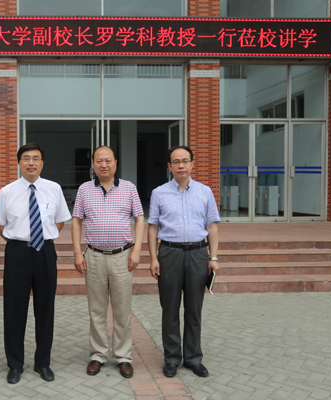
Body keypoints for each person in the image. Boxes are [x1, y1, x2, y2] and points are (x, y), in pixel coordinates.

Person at [0, 143, 71, 384]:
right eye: (26, 158)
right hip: (17, 253)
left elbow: (60, 222)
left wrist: (42, 238)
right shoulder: (6, 192)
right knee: (14, 309)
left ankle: (42, 362)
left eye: (36, 158)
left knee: (45, 309)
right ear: (19, 163)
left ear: (42, 163)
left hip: (45, 251)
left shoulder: (54, 189)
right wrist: (19, 240)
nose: (31, 163)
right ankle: (15, 364)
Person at [71, 146, 145, 379]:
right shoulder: (84, 189)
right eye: (99, 161)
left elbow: (139, 218)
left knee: (122, 310)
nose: (104, 165)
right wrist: (77, 253)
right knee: (97, 310)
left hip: (123, 257)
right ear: (93, 164)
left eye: (108, 160)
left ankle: (123, 357)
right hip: (94, 256)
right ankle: (98, 355)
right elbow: (76, 221)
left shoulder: (129, 188)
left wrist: (136, 250)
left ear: (115, 163)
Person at [147, 145, 220, 379]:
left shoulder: (205, 192)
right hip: (169, 254)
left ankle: (193, 358)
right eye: (176, 162)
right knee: (169, 309)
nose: (181, 165)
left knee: (194, 309)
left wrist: (213, 257)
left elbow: (212, 227)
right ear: (169, 166)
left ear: (192, 164)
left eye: (185, 161)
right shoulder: (159, 193)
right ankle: (171, 358)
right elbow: (153, 228)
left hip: (198, 254)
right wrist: (153, 258)